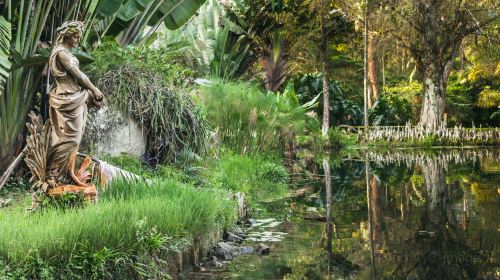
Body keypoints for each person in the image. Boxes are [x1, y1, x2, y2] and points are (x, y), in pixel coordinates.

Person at [46, 21, 104, 187]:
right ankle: (51, 172)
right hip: (67, 98)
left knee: (75, 140)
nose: (78, 40)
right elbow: (79, 76)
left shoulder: (67, 53)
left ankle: (70, 172)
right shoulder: (61, 54)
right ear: (68, 36)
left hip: (75, 97)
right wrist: (94, 90)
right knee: (69, 139)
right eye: (77, 37)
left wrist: (90, 94)